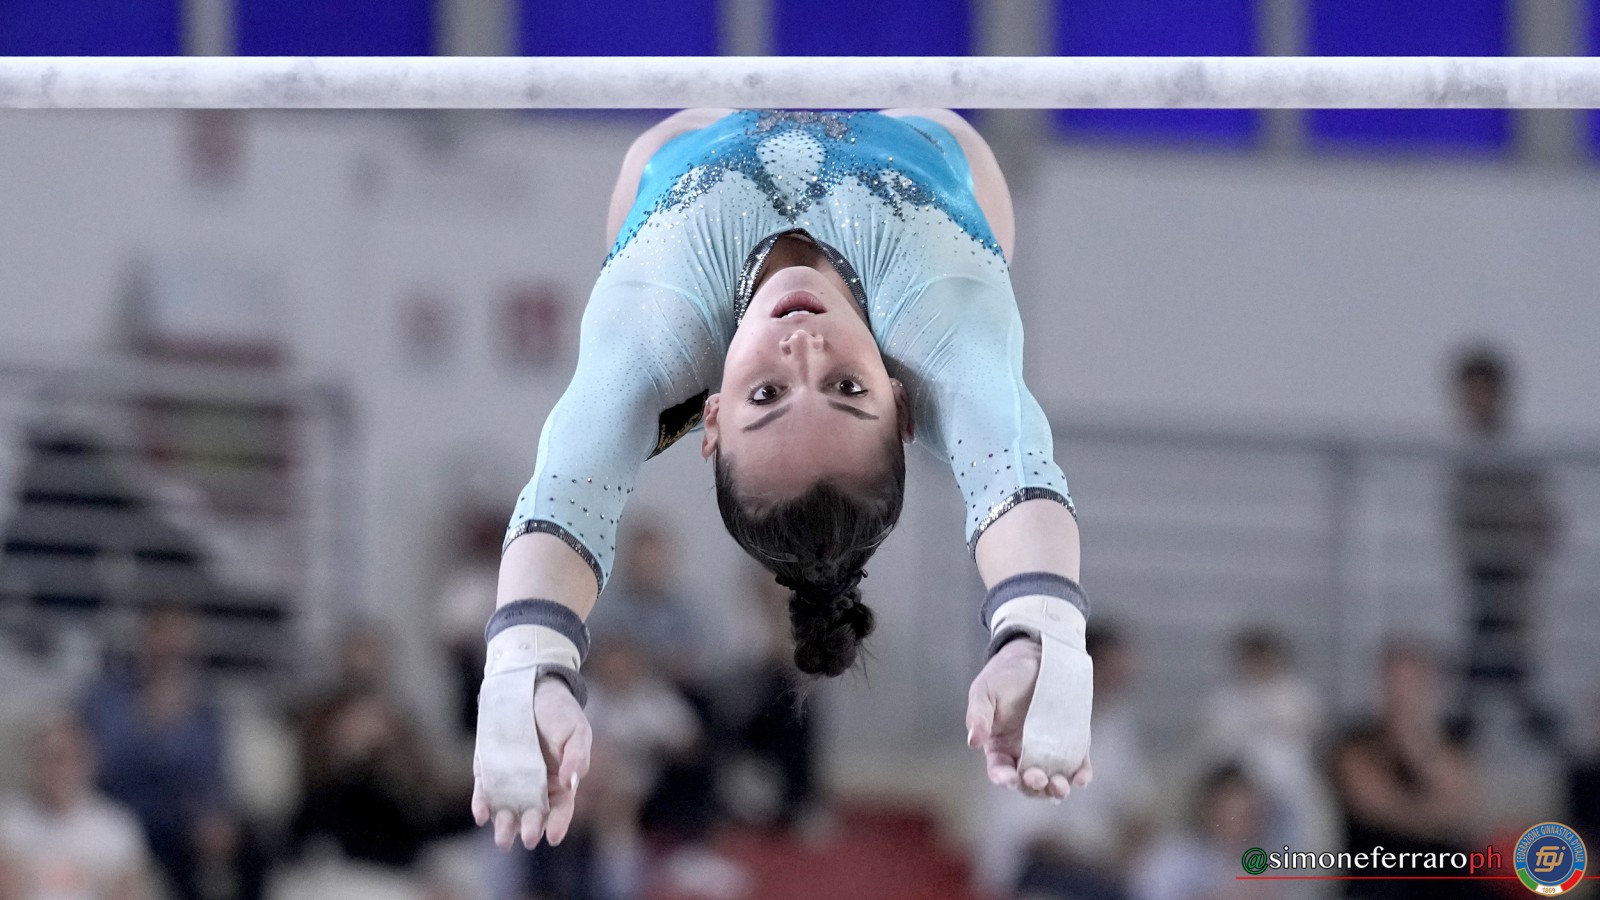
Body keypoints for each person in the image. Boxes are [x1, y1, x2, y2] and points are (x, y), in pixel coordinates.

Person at [474, 109, 1093, 849]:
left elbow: (569, 495)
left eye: (766, 395)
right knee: (979, 352)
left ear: (710, 416)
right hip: (922, 126)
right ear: (900, 401)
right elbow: (1012, 474)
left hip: (697, 125)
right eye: (846, 388)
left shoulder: (661, 338)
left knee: (634, 249)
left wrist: (529, 656)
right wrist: (1039, 629)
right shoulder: (934, 320)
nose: (803, 347)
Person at [1445, 346, 1562, 743]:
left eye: (1476, 392)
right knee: (1496, 663)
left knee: (1499, 661)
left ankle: (1467, 732)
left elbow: (1541, 516)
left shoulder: (1511, 453)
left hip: (1506, 571)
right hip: (1482, 570)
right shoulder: (1468, 450)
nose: (1469, 402)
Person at [0, 712, 150, 900]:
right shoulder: (8, 823)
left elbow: (127, 892)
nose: (57, 769)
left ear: (86, 761)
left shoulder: (116, 827)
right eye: (46, 758)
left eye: (65, 758)